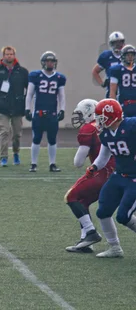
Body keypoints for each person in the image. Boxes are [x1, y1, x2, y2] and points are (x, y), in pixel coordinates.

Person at [87, 98, 136, 258]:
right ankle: (114, 247)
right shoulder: (106, 133)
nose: (99, 121)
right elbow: (104, 157)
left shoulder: (131, 125)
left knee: (124, 216)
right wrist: (94, 167)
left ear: (111, 116)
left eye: (101, 117)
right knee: (103, 211)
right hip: (119, 175)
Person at [64, 99, 114, 253]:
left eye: (81, 114)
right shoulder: (106, 125)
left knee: (71, 197)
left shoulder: (88, 129)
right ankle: (86, 241)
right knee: (83, 201)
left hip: (101, 172)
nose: (79, 118)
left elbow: (78, 162)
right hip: (115, 172)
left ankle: (91, 232)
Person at [25, 51, 66, 172]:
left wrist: (62, 110)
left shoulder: (59, 78)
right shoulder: (36, 75)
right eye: (48, 61)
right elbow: (30, 94)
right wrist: (28, 109)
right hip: (39, 113)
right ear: (43, 62)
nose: (50, 63)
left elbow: (61, 96)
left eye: (52, 61)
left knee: (52, 139)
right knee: (36, 138)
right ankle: (33, 164)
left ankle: (52, 164)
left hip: (52, 113)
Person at [0, 46, 29, 167]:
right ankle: (3, 157)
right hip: (3, 108)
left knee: (17, 134)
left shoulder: (22, 71)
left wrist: (24, 102)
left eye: (11, 54)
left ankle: (16, 153)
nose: (9, 56)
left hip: (18, 108)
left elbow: (29, 88)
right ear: (3, 56)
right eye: (7, 54)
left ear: (14, 55)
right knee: (4, 132)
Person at [92, 31, 125, 98]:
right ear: (111, 44)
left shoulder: (128, 55)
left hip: (125, 88)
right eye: (115, 43)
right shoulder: (107, 56)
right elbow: (95, 71)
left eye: (120, 42)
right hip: (112, 89)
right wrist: (102, 83)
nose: (118, 45)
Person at [109, 45, 136, 117]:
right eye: (128, 55)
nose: (130, 57)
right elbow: (112, 92)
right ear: (123, 56)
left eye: (132, 55)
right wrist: (114, 106)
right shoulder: (116, 70)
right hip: (124, 104)